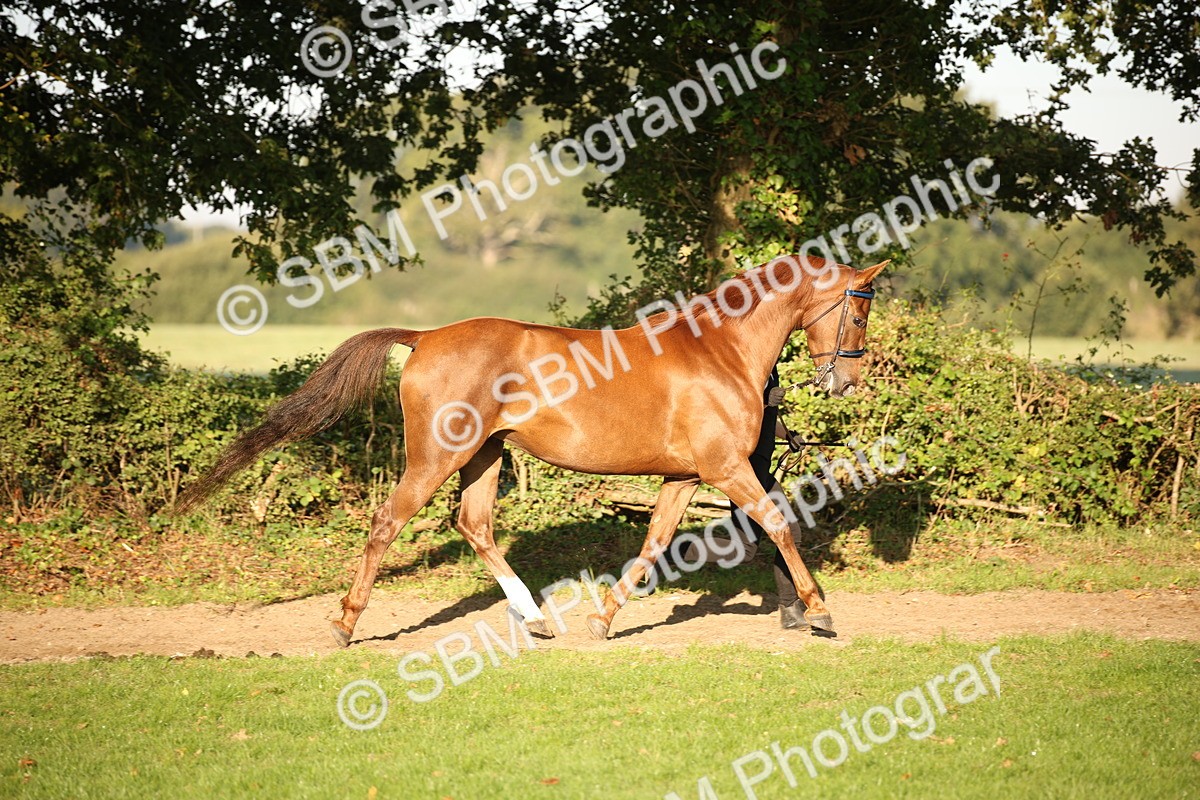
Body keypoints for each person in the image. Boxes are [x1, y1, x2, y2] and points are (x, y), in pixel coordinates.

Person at [656, 368, 818, 630]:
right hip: (746, 471)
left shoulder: (770, 369)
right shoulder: (746, 364)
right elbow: (732, 412)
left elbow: (762, 419)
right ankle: (790, 609)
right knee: (791, 533)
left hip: (759, 469)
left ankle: (670, 553)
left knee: (744, 548)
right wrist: (764, 402)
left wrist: (787, 435)